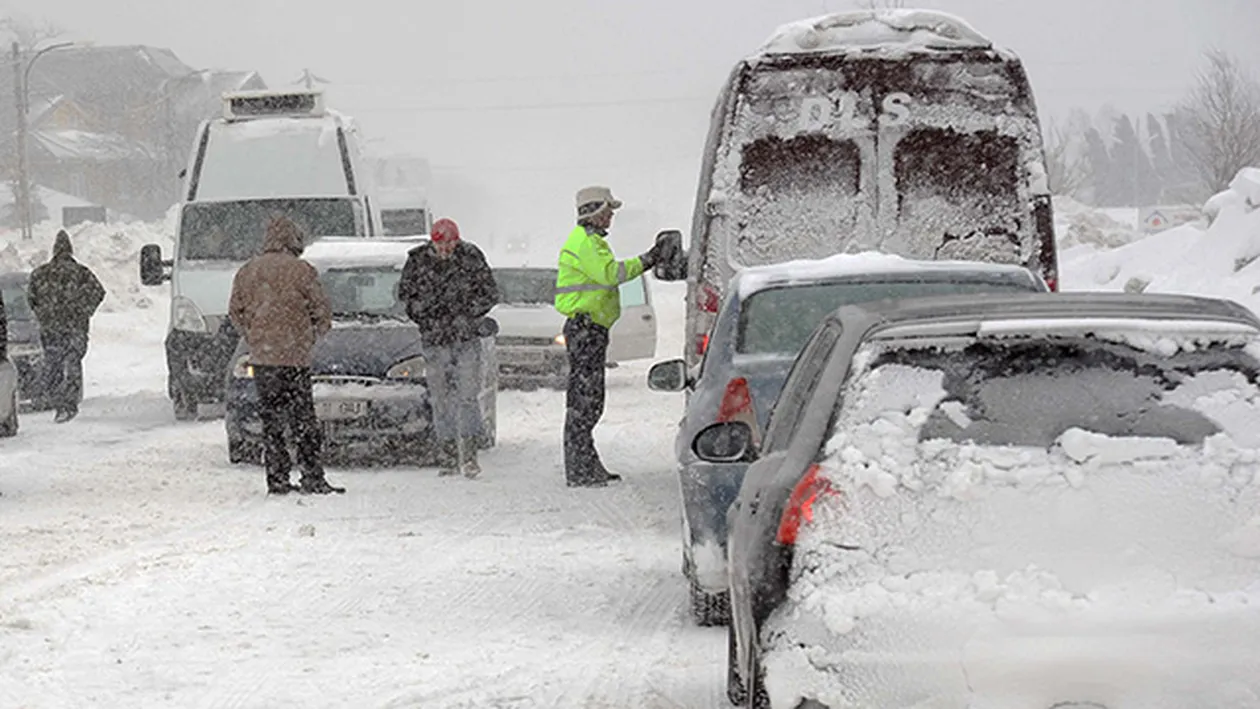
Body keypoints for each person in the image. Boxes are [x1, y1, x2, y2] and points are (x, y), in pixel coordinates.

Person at [554, 187, 666, 487]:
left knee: (588, 399)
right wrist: (648, 259)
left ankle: (585, 463)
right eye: (608, 210)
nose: (611, 216)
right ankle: (580, 468)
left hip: (589, 328)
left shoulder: (589, 242)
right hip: (585, 328)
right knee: (585, 401)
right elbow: (609, 274)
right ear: (593, 211)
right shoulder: (587, 243)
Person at [228, 216, 344, 496]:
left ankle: (277, 479)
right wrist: (310, 336)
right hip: (295, 358)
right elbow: (321, 310)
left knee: (272, 422)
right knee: (303, 419)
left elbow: (235, 311)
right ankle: (312, 475)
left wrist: (255, 336)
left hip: (263, 359)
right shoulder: (302, 271)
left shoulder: (248, 271)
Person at [398, 217, 499, 478]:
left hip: (465, 338)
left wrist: (468, 315)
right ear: (432, 242)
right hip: (434, 339)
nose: (446, 250)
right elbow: (406, 296)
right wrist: (425, 315)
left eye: (451, 244)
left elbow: (489, 293)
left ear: (458, 240)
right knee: (440, 399)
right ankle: (448, 454)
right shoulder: (417, 261)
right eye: (441, 245)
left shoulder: (471, 257)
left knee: (467, 396)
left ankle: (469, 453)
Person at [27, 230, 105, 423]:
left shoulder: (40, 274)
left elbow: (31, 298)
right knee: (72, 363)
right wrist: (84, 311)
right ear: (70, 250)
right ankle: (69, 403)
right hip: (75, 328)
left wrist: (43, 314)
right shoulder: (81, 273)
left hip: (51, 329)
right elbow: (99, 292)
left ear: (54, 250)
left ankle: (56, 400)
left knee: (53, 364)